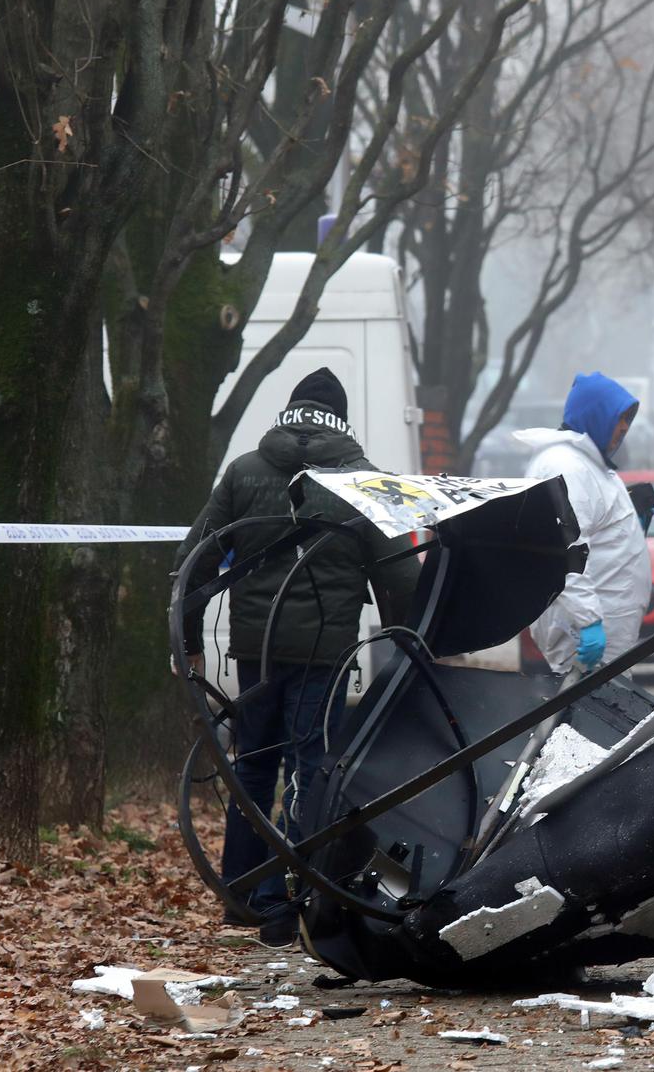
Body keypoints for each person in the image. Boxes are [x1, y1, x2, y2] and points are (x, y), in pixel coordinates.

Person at [173, 367, 421, 943]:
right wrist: (406, 646)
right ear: (340, 420)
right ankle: (296, 896)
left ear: (291, 412)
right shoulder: (364, 482)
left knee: (254, 765)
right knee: (311, 767)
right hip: (324, 655)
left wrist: (190, 643)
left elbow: (194, 561)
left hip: (254, 650)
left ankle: (244, 894)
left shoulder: (245, 471)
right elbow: (402, 579)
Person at [515, 372, 652, 675]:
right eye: (620, 418)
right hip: (585, 631)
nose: (624, 428)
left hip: (602, 625)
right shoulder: (567, 466)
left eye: (628, 420)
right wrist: (588, 621)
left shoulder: (587, 464)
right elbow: (564, 549)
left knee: (603, 703)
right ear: (597, 414)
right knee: (588, 703)